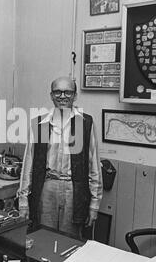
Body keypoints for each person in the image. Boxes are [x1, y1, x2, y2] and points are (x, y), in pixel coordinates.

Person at [17, 76, 103, 239]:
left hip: (73, 190)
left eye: (68, 92)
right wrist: (23, 201)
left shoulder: (85, 123)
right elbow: (28, 165)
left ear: (75, 96)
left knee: (70, 240)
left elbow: (94, 167)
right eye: (58, 92)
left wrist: (94, 204)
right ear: (51, 95)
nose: (62, 96)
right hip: (47, 187)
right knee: (43, 236)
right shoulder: (40, 124)